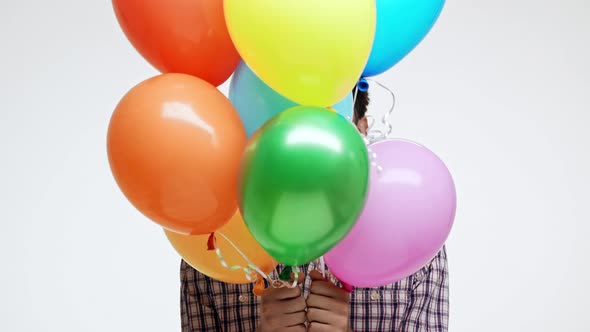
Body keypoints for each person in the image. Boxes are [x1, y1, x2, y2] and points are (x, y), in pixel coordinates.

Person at [180, 87, 449, 332]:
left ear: (362, 130)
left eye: (327, 127)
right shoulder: (217, 239)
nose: (306, 149)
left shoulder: (414, 234)